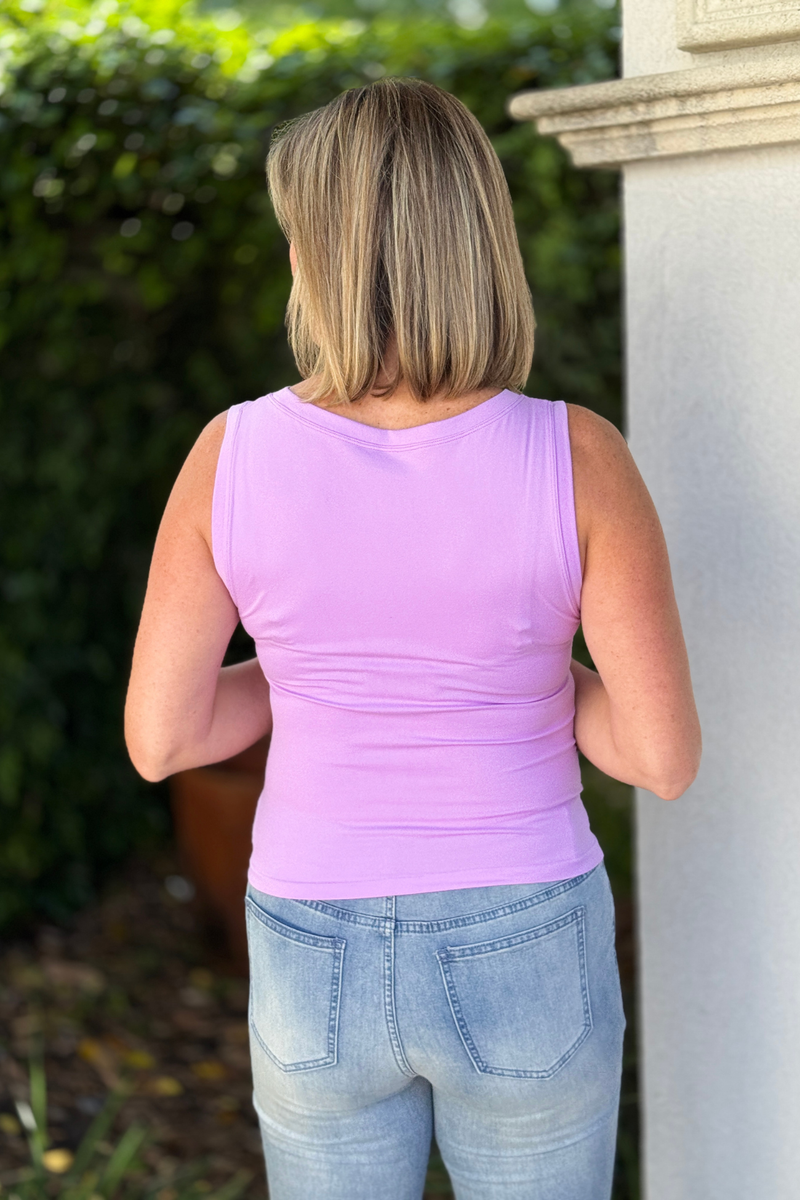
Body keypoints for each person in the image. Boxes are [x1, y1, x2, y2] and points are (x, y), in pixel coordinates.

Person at [125, 78, 701, 1200]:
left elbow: (164, 736)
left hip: (312, 941)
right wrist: (526, 674)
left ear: (317, 259)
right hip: (523, 930)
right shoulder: (576, 456)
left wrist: (316, 672)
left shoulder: (228, 455)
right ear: (477, 239)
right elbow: (656, 756)